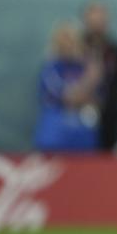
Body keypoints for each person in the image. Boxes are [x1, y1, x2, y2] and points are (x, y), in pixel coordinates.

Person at [34, 22, 102, 152]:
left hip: (84, 136)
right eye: (64, 40)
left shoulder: (84, 67)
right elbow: (68, 97)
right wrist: (90, 79)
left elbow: (97, 99)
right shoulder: (50, 69)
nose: (68, 44)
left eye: (71, 40)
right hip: (55, 135)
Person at [82, 1, 117, 151]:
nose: (98, 22)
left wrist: (110, 99)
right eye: (94, 17)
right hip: (77, 118)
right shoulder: (75, 49)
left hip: (110, 117)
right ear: (86, 19)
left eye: (102, 17)